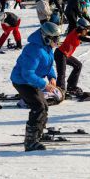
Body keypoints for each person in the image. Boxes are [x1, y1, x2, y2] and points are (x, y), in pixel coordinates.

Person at [10, 22, 61, 151]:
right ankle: (30, 141)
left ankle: (38, 134)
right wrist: (44, 84)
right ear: (46, 37)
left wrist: (52, 77)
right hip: (22, 82)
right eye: (55, 38)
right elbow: (27, 74)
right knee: (38, 106)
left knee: (44, 105)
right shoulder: (34, 50)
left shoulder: (46, 48)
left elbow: (47, 65)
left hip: (32, 81)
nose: (57, 41)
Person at [55, 18, 90, 94]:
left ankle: (71, 86)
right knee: (62, 74)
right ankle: (60, 91)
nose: (87, 31)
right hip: (60, 54)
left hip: (65, 54)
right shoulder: (77, 35)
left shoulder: (79, 31)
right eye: (86, 29)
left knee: (78, 66)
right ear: (81, 28)